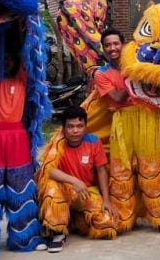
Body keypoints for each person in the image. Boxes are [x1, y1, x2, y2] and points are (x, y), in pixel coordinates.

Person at [0, 29, 45, 250]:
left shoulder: (22, 79)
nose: (6, 61)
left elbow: (28, 53)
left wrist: (22, 26)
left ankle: (23, 239)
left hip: (17, 137)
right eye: (2, 58)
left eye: (9, 58)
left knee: (21, 186)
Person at [39, 107, 118, 252]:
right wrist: (74, 181)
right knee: (51, 186)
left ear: (85, 126)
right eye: (70, 126)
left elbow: (101, 170)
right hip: (64, 191)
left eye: (80, 126)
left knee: (107, 223)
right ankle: (57, 233)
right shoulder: (57, 142)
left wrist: (106, 200)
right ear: (63, 128)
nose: (75, 131)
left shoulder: (93, 141)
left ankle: (73, 220)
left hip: (86, 191)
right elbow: (48, 170)